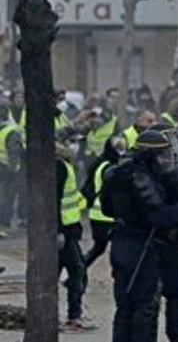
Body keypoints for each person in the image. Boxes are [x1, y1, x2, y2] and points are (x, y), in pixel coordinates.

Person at [103, 129, 178, 342]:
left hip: (128, 243)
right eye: (163, 155)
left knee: (131, 304)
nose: (167, 160)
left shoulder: (116, 172)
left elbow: (108, 209)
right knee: (141, 306)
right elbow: (160, 217)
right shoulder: (138, 177)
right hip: (139, 246)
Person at [55, 127, 94, 332]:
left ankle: (71, 314)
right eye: (73, 141)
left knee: (64, 270)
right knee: (78, 270)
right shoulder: (59, 166)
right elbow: (55, 199)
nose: (77, 145)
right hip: (64, 230)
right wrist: (58, 230)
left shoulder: (65, 165)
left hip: (70, 229)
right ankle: (73, 317)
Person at [82, 134, 126, 269]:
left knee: (99, 248)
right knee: (116, 248)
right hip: (105, 215)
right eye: (118, 147)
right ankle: (77, 273)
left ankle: (77, 274)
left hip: (98, 214)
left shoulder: (101, 162)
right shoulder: (109, 167)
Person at [0, 104, 22, 238]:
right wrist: (13, 171)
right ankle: (3, 225)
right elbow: (14, 153)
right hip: (7, 169)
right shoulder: (11, 131)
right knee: (7, 199)